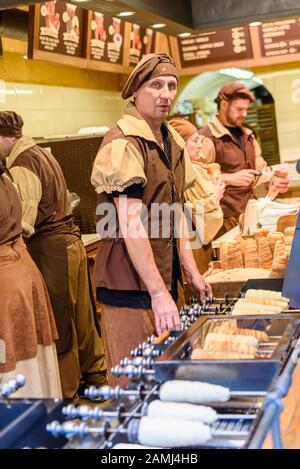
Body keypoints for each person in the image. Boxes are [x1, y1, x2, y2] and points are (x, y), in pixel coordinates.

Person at [91, 53, 212, 385]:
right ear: (136, 91)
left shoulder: (171, 140)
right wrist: (158, 294)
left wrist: (191, 272)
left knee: (167, 381)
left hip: (161, 281)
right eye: (156, 85)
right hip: (129, 288)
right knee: (135, 386)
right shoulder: (124, 144)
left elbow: (176, 213)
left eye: (171, 86)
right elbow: (132, 225)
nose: (166, 94)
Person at [0, 111, 107, 401]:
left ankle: (68, 395)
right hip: (70, 242)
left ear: (7, 137)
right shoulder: (40, 154)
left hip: (52, 249)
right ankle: (97, 380)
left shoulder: (22, 164)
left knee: (61, 325)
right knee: (83, 321)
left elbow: (22, 221)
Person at [0, 155, 61, 398]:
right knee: (34, 366)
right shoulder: (6, 177)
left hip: (7, 281)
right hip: (23, 272)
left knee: (16, 367)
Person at [198, 82, 289, 235]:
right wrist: (228, 178)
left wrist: (272, 183)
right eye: (239, 109)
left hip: (254, 216)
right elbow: (195, 182)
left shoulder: (249, 135)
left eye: (246, 109)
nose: (244, 114)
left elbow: (258, 175)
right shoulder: (206, 137)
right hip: (224, 223)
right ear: (224, 104)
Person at [168, 117, 225, 273]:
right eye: (194, 141)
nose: (200, 145)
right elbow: (194, 212)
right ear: (180, 145)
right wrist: (215, 198)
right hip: (194, 245)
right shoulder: (188, 172)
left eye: (200, 140)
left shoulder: (194, 168)